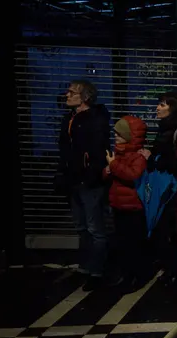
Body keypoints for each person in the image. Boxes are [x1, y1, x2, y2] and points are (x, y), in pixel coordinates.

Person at [57, 79, 112, 292]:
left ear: (85, 97)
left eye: (72, 92)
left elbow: (98, 151)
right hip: (74, 181)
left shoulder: (95, 120)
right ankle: (86, 267)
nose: (67, 95)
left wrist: (91, 175)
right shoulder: (69, 119)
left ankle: (97, 271)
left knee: (94, 227)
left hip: (89, 181)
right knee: (82, 227)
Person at [139, 92, 177, 285]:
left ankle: (174, 271)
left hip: (172, 190)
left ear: (173, 107)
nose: (157, 108)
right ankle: (170, 269)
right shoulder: (163, 130)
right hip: (163, 188)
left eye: (162, 104)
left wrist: (151, 157)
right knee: (163, 229)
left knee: (169, 231)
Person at [103, 116, 150, 289]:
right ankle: (126, 275)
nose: (115, 136)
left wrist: (113, 165)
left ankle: (136, 277)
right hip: (118, 205)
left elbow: (132, 176)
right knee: (122, 243)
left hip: (132, 207)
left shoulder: (137, 157)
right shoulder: (118, 153)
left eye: (119, 134)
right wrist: (108, 169)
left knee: (133, 245)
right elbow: (109, 174)